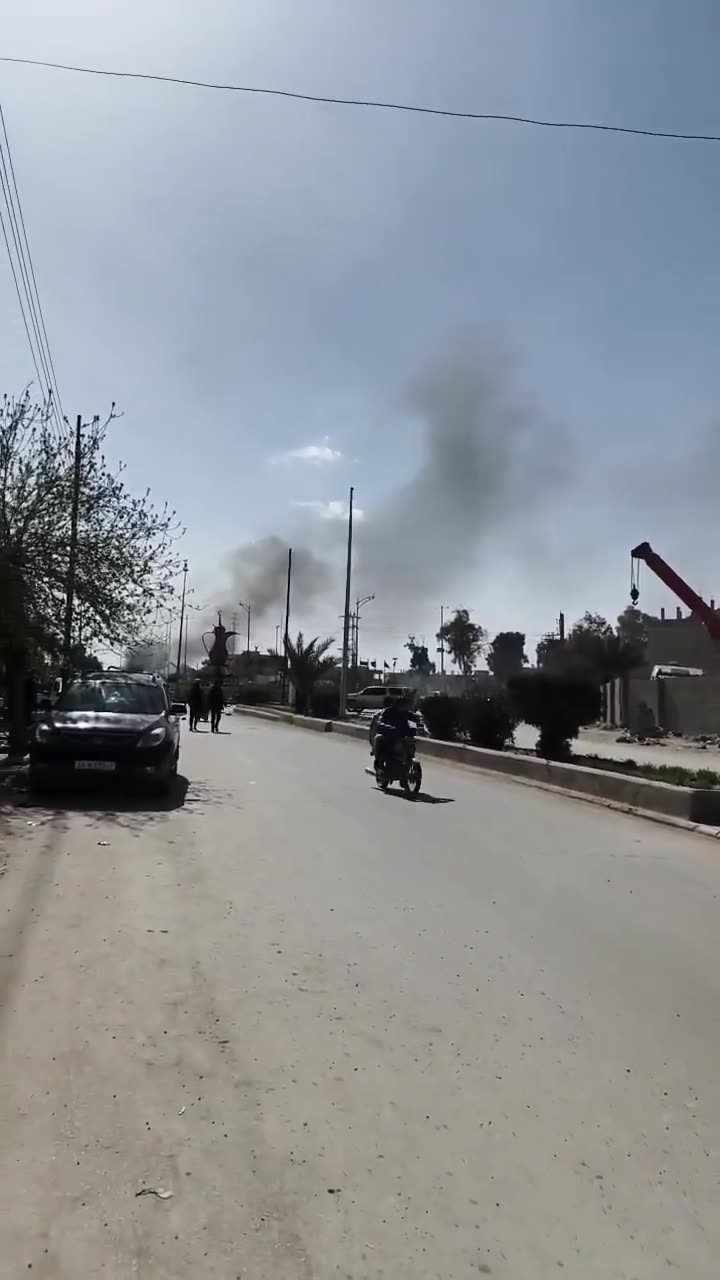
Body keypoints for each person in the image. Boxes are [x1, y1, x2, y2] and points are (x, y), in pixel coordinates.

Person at [372, 695, 417, 770]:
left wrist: (415, 729)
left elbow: (415, 723)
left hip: (402, 736)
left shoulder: (408, 714)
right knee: (378, 738)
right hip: (389, 735)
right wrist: (388, 727)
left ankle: (409, 760)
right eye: (404, 704)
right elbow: (380, 722)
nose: (406, 707)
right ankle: (378, 762)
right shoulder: (387, 711)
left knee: (410, 741)